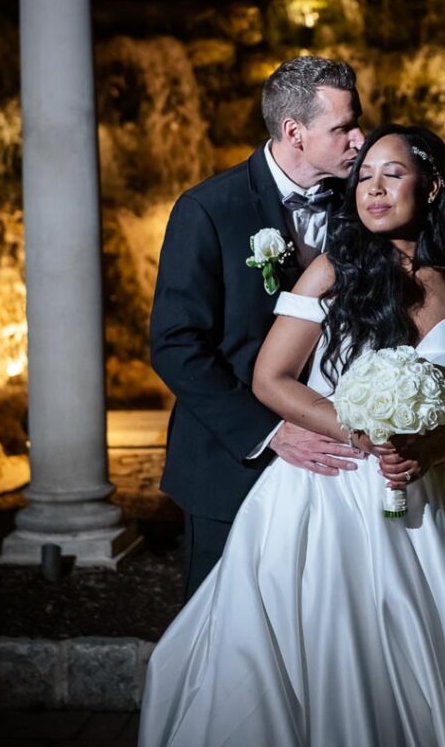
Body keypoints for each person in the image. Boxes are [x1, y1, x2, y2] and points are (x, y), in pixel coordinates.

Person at [140, 124, 445, 747]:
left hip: (429, 490)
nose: (373, 188)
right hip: (328, 488)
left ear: (433, 185)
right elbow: (271, 378)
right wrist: (360, 430)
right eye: (364, 176)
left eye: (391, 174)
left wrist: (426, 450)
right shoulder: (331, 273)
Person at [150, 54, 365, 600]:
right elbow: (177, 346)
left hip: (339, 462)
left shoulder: (364, 205)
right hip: (233, 460)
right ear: (295, 132)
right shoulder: (207, 209)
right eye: (342, 127)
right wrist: (270, 432)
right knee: (222, 631)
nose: (359, 139)